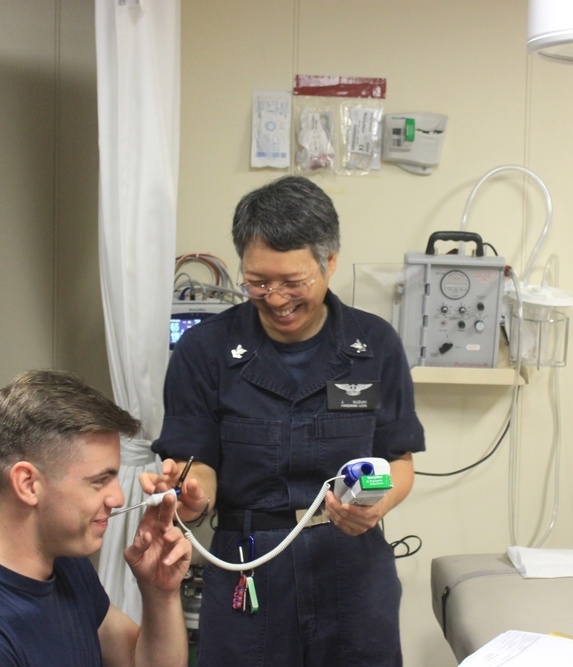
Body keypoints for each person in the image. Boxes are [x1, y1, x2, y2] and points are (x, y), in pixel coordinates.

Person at [146, 175, 425, 666]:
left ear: (329, 262)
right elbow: (197, 466)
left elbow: (398, 459)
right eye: (258, 282)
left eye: (294, 282)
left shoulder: (373, 345)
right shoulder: (204, 352)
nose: (276, 298)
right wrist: (191, 495)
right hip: (248, 566)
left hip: (353, 567)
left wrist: (377, 507)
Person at [0, 369, 192, 667]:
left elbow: (137, 661)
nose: (117, 499)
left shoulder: (64, 564)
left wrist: (160, 594)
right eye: (99, 480)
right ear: (28, 484)